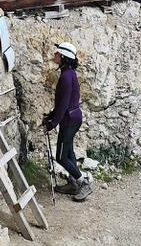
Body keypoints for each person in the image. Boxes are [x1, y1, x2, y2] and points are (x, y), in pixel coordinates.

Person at [42, 42, 92, 202]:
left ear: (63, 57)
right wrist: (51, 116)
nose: (54, 55)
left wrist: (52, 123)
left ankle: (83, 183)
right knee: (69, 153)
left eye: (56, 54)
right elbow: (64, 103)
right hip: (72, 117)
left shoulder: (65, 76)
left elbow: (63, 105)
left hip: (69, 120)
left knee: (62, 157)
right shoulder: (69, 73)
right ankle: (73, 183)